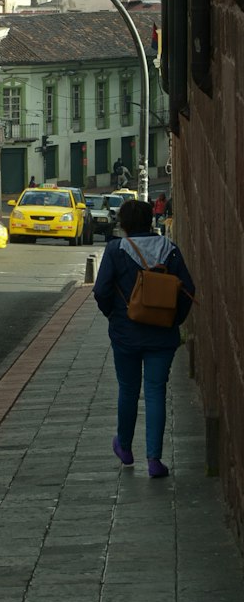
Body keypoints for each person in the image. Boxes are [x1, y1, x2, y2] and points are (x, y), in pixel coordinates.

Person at [93, 198, 194, 478]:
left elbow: (101, 291)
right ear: (151, 220)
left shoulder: (116, 250)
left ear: (123, 224)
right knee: (155, 391)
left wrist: (114, 316)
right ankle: (154, 459)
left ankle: (124, 447)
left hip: (126, 334)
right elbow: (188, 290)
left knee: (128, 389)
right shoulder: (169, 250)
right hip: (162, 336)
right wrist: (173, 321)